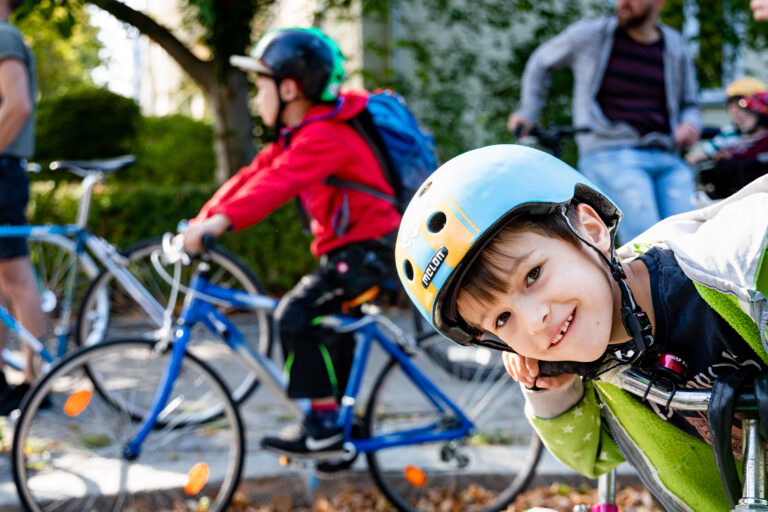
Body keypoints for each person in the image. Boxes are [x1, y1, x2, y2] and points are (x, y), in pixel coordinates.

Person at [394, 144, 768, 511]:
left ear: (590, 229)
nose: (534, 320)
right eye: (502, 319)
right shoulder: (599, 369)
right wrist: (553, 393)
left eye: (533, 275)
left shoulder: (735, 266)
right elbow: (593, 456)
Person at [182, 27, 401, 456]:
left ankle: (322, 423)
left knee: (295, 314)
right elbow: (254, 174)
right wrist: (205, 219)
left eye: (260, 86)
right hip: (357, 251)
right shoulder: (305, 131)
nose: (255, 97)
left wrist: (221, 223)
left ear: (289, 87)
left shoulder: (325, 136)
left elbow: (277, 184)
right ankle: (339, 423)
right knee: (325, 326)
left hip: (371, 253)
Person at [508, 0, 702, 242]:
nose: (623, 3)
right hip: (610, 152)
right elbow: (540, 62)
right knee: (654, 242)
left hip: (667, 155)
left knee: (694, 236)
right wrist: (528, 111)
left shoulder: (674, 45)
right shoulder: (590, 36)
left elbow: (690, 104)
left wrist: (690, 124)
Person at [0, 0, 44, 416]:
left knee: (15, 277)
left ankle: (35, 383)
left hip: (3, 172)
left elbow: (17, 105)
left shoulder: (3, 35)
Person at [698, 91, 768, 198]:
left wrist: (729, 157)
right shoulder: (750, 138)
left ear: (761, 116)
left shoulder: (763, 140)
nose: (743, 116)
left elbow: (749, 157)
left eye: (749, 113)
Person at [685, 77, 767, 165]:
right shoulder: (729, 133)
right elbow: (698, 155)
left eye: (742, 106)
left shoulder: (761, 139)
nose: (735, 112)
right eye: (731, 107)